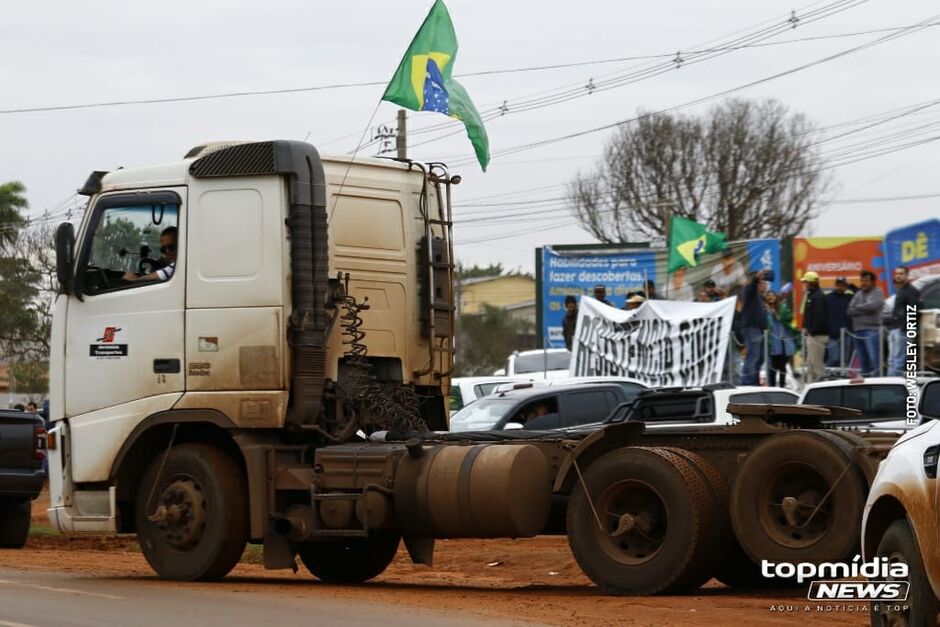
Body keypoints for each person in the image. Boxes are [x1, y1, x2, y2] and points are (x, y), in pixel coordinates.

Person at [847, 270, 885, 377]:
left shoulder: (878, 292)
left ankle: (877, 381)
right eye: (862, 280)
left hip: (872, 330)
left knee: (874, 358)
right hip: (858, 330)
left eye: (866, 281)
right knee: (863, 359)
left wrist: (858, 307)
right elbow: (850, 310)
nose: (864, 283)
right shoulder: (858, 294)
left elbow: (874, 306)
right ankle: (867, 381)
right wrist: (865, 308)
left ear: (873, 282)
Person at [886, 265, 922, 376]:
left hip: (903, 330)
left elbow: (914, 311)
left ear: (907, 275)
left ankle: (893, 386)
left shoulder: (911, 291)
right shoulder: (900, 290)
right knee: (891, 360)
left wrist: (905, 327)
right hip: (894, 329)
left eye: (901, 274)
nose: (898, 276)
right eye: (896, 274)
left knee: (898, 361)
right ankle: (888, 383)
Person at [739, 270, 768, 385]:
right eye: (761, 282)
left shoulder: (759, 297)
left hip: (759, 330)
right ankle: (747, 384)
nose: (763, 284)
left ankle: (755, 382)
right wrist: (756, 277)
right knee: (752, 357)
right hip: (752, 329)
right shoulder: (749, 290)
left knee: (759, 359)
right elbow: (752, 284)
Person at [801, 271, 829, 383]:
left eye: (807, 282)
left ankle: (822, 387)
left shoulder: (818, 296)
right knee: (811, 364)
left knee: (817, 365)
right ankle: (811, 386)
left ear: (813, 282)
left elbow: (820, 316)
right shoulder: (812, 295)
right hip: (813, 334)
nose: (805, 284)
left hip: (817, 335)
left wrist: (812, 331)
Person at [765, 290, 795, 387]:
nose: (770, 297)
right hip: (772, 343)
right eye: (768, 296)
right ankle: (772, 386)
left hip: (783, 342)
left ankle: (782, 385)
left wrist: (773, 312)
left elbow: (786, 318)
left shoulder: (782, 307)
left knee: (782, 366)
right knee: (772, 367)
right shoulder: (764, 309)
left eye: (772, 295)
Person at [825, 277, 854, 367]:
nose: (840, 287)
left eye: (843, 286)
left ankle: (844, 378)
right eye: (839, 285)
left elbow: (858, 293)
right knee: (834, 358)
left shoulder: (849, 298)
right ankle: (828, 377)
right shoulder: (828, 298)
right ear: (835, 285)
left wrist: (851, 287)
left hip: (847, 334)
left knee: (845, 359)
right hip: (832, 334)